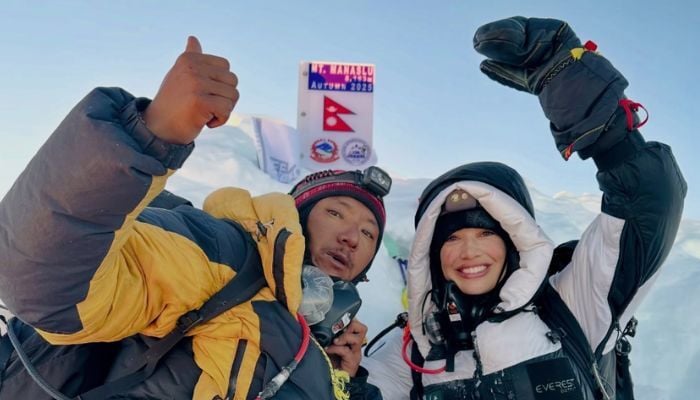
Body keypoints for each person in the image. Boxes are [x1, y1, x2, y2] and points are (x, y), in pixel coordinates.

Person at [0, 36, 384, 400]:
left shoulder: (330, 349)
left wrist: (344, 383)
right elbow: (46, 283)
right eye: (335, 213)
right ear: (297, 218)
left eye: (369, 234)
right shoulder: (229, 255)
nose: (352, 236)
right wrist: (152, 135)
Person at [362, 16, 686, 399]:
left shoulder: (572, 305)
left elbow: (649, 200)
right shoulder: (414, 354)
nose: (470, 251)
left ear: (515, 240)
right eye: (452, 239)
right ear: (431, 254)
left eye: (485, 232)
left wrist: (577, 91)